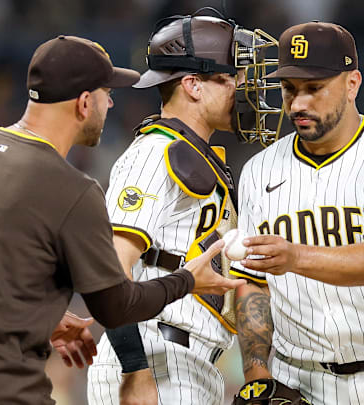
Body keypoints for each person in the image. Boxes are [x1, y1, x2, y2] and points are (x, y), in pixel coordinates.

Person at [0, 35, 238, 405]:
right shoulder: (71, 189)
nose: (111, 102)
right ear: (83, 103)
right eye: (105, 92)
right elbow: (115, 308)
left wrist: (41, 316)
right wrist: (186, 280)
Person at [232, 22, 364, 404]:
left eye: (314, 89)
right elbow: (253, 282)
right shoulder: (258, 171)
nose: (298, 104)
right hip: (298, 378)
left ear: (352, 84)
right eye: (289, 90)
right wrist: (257, 373)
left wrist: (295, 256)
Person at [85, 10, 272, 405]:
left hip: (186, 365)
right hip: (153, 362)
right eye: (230, 77)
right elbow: (109, 273)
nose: (242, 87)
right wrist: (135, 370)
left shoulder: (197, 156)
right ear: (192, 85)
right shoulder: (155, 153)